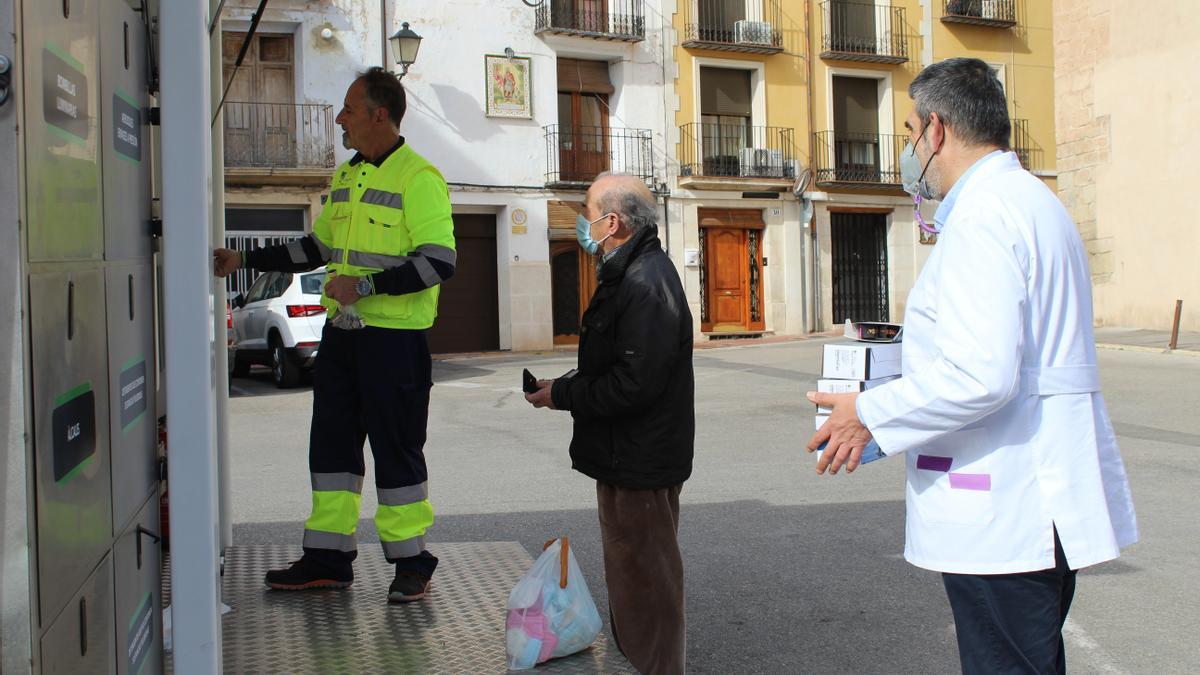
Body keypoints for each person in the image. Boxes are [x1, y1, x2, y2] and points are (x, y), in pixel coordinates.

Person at [807, 57, 1138, 674]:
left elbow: (980, 374)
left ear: (936, 131)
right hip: (1033, 495)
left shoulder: (984, 218)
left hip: (1003, 511)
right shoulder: (1032, 203)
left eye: (908, 134)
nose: (908, 149)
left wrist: (867, 414)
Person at [213, 66, 455, 603]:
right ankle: (327, 559)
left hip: (394, 341)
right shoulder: (347, 176)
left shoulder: (420, 178)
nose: (339, 119)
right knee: (331, 448)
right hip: (342, 337)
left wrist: (365, 285)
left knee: (397, 453)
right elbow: (316, 249)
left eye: (348, 109)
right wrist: (244, 258)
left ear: (379, 115)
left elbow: (440, 262)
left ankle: (412, 561)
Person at [525, 174, 693, 675]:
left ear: (612, 222)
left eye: (588, 211)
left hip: (638, 460)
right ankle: (642, 662)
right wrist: (567, 383)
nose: (583, 222)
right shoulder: (629, 273)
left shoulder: (644, 280)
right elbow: (622, 365)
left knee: (647, 581)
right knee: (633, 576)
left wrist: (563, 394)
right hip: (629, 455)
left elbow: (633, 384)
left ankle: (657, 668)